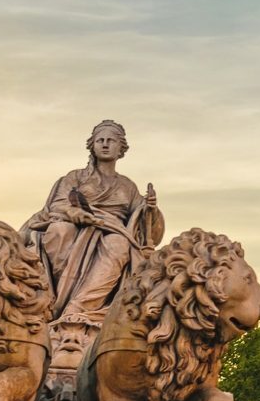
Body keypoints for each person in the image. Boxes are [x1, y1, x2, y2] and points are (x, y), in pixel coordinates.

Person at [25, 120, 164, 365]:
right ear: (92, 145)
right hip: (74, 225)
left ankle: (79, 308)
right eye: (100, 140)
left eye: (111, 140)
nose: (105, 144)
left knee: (119, 245)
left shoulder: (128, 187)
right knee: (58, 230)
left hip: (112, 232)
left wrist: (149, 209)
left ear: (121, 148)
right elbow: (57, 205)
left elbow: (143, 226)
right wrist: (75, 214)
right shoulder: (74, 178)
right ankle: (59, 299)